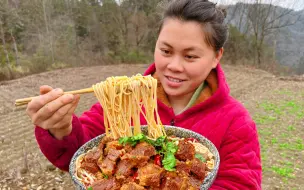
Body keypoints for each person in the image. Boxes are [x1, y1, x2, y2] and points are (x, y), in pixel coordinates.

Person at [26, 0, 262, 189]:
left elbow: (241, 184)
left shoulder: (235, 121)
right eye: (166, 51)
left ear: (216, 56)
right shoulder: (125, 97)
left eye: (190, 56)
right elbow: (83, 150)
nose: (174, 66)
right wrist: (60, 129)